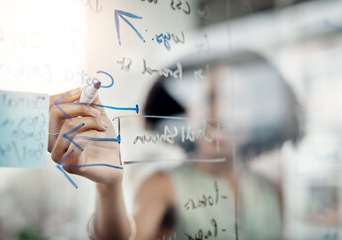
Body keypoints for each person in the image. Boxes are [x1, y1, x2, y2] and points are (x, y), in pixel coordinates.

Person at [48, 51, 303, 240]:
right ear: (186, 109)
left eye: (238, 100)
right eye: (208, 98)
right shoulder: (162, 186)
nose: (222, 113)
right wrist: (109, 187)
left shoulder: (271, 187)